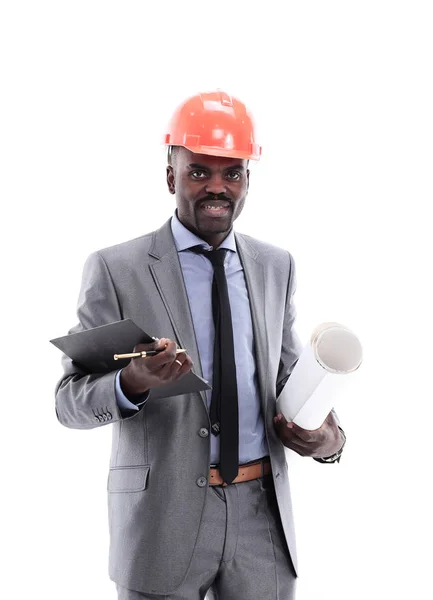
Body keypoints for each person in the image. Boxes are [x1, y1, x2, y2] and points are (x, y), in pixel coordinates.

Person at [55, 89, 346, 600]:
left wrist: (329, 442)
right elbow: (68, 401)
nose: (218, 187)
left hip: (262, 519)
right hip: (162, 520)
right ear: (171, 175)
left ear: (248, 179)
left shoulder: (275, 266)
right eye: (198, 172)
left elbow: (288, 379)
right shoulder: (116, 269)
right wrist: (131, 384)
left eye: (232, 173)